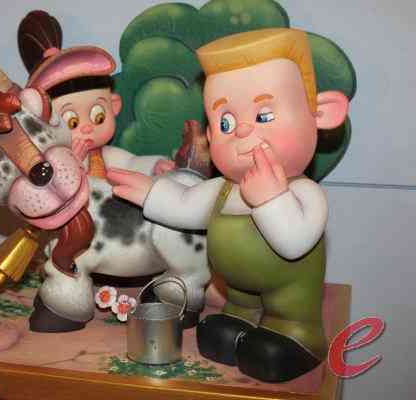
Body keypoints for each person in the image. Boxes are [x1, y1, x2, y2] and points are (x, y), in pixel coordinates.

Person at [107, 28, 349, 382]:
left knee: (278, 339)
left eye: (264, 116)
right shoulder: (223, 189)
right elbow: (185, 204)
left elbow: (293, 243)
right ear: (210, 134)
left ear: (322, 113)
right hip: (238, 297)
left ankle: (295, 337)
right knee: (223, 329)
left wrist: (270, 199)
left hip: (291, 305)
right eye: (226, 122)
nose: (242, 131)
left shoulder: (305, 193)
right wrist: (151, 193)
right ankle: (240, 321)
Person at [18, 10, 174, 178]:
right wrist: (72, 163)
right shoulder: (44, 165)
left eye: (98, 116)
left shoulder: (105, 156)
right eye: (72, 122)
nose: (87, 127)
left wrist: (154, 166)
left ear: (113, 105)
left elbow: (130, 163)